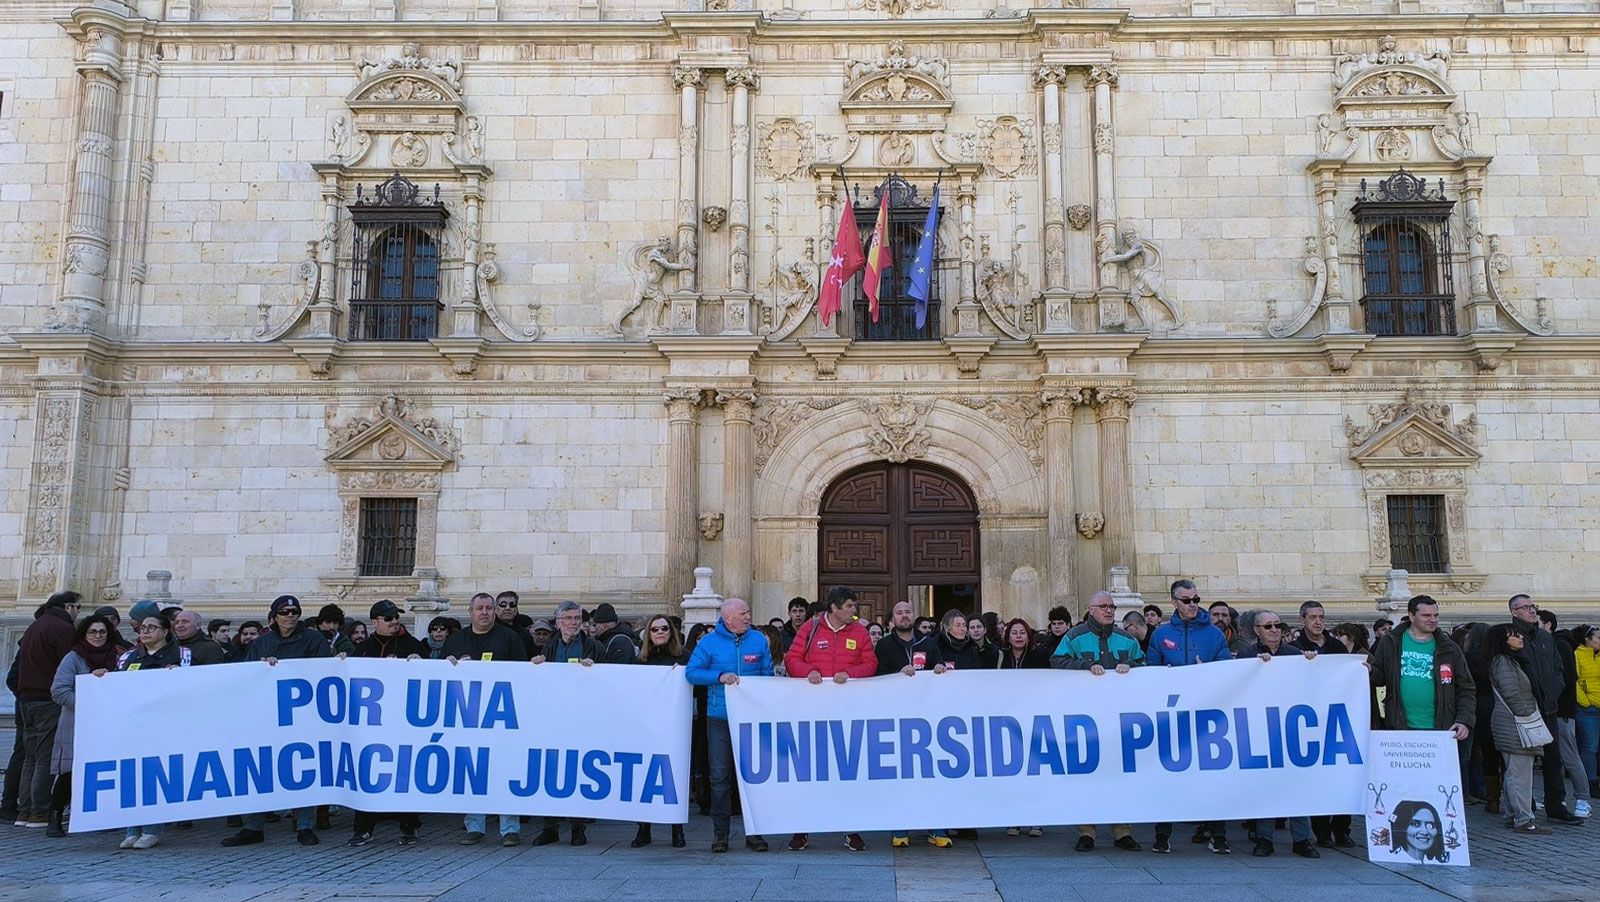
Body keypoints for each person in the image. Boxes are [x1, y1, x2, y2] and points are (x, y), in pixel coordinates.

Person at [222, 595, 333, 847]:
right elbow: (248, 675)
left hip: (302, 717)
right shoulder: (262, 643)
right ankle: (253, 826)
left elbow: (323, 672)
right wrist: (263, 668)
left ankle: (304, 826)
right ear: (274, 616)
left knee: (302, 770)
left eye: (295, 611)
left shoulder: (313, 640)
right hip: (267, 717)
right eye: (284, 612)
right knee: (260, 769)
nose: (290, 616)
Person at [783, 586, 877, 852]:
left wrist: (850, 673)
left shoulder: (859, 632)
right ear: (834, 608)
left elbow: (871, 663)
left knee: (848, 770)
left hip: (849, 712)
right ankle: (801, 829)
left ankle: (852, 829)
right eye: (849, 606)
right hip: (813, 712)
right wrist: (808, 670)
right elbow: (792, 660)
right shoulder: (810, 628)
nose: (854, 611)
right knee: (809, 770)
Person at [1051, 592, 1143, 852]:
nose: (1109, 610)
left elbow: (1144, 664)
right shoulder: (1075, 637)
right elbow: (1057, 661)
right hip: (1086, 720)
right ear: (1090, 609)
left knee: (1119, 775)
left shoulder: (1126, 638)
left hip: (1119, 720)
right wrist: (1083, 666)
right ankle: (1086, 831)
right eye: (1103, 606)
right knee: (1087, 775)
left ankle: (1122, 831)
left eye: (1112, 606)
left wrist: (1131, 667)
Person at [1145, 580, 1232, 854]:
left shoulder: (1214, 635)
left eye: (1196, 599)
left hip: (1207, 716)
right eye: (1186, 600)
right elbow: (1150, 671)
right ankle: (1162, 835)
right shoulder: (1160, 635)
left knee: (1212, 776)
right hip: (1172, 715)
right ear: (1174, 602)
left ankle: (1218, 834)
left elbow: (1228, 671)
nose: (1193, 605)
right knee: (1167, 775)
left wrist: (1206, 673)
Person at [685, 598, 772, 853]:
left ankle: (754, 833)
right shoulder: (709, 643)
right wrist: (718, 677)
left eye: (748, 612)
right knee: (720, 778)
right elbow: (691, 673)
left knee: (752, 778)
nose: (748, 616)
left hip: (751, 719)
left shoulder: (758, 640)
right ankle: (720, 834)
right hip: (719, 719)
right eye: (744, 613)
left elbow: (767, 674)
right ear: (729, 618)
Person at [444, 593, 530, 846]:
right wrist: (448, 666)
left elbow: (523, 674)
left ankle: (510, 828)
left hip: (502, 719)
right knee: (473, 773)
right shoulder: (455, 641)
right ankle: (474, 826)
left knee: (505, 770)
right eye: (479, 608)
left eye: (489, 608)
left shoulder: (509, 638)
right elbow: (441, 677)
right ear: (470, 612)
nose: (484, 612)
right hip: (468, 720)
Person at [1238, 610, 1321, 858]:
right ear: (1257, 631)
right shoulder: (1247, 654)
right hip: (1261, 728)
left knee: (1296, 784)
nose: (1273, 630)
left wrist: (1310, 662)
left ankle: (1302, 839)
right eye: (1267, 626)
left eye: (1277, 625)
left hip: (1291, 727)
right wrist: (1254, 667)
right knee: (1267, 785)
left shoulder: (1295, 654)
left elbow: (1312, 682)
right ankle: (1264, 838)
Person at [112, 609, 193, 848]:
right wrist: (100, 678)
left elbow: (192, 684)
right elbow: (116, 686)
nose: (145, 632)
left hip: (165, 726)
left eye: (151, 628)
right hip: (134, 725)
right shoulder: (128, 657)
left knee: (155, 775)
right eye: (142, 628)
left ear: (165, 631)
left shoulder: (182, 654)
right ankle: (131, 828)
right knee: (131, 775)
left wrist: (177, 676)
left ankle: (152, 828)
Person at [873, 600, 950, 849]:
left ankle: (936, 829)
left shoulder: (928, 643)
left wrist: (939, 668)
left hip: (927, 720)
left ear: (914, 616)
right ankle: (900, 829)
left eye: (908, 612)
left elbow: (938, 666)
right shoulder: (884, 645)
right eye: (899, 613)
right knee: (901, 776)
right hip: (896, 719)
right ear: (891, 620)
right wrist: (897, 675)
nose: (904, 616)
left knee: (930, 776)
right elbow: (877, 677)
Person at [1508, 594, 1582, 825]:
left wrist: (1554, 689)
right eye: (1526, 607)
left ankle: (1556, 805)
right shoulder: (1509, 637)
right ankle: (1524, 804)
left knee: (1553, 758)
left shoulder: (1544, 637)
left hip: (1549, 707)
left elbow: (1557, 668)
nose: (1532, 611)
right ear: (1514, 612)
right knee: (1523, 760)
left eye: (1533, 607)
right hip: (1523, 710)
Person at [45, 613, 119, 837]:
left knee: (103, 768)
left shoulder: (117, 657)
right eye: (93, 632)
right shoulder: (73, 658)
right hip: (76, 723)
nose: (98, 636)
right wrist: (87, 704)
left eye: (102, 632)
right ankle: (55, 817)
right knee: (70, 770)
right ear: (84, 634)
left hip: (107, 723)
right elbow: (58, 691)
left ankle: (100, 816)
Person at [14, 590, 81, 829]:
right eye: (76, 607)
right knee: (46, 757)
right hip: (46, 699)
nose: (76, 612)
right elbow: (68, 661)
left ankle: (25, 810)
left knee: (30, 757)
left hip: (27, 698)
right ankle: (40, 811)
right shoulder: (61, 629)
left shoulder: (36, 625)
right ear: (67, 607)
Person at [1486, 623, 1553, 834]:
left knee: (1514, 771)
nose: (1520, 638)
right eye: (1514, 636)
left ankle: (1513, 814)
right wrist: (1528, 715)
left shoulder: (1506, 661)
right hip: (1514, 722)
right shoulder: (1503, 663)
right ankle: (1524, 819)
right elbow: (1511, 693)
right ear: (1502, 641)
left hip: (1511, 721)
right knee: (1519, 773)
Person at [634, 614, 688, 849]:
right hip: (647, 728)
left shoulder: (683, 658)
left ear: (671, 632)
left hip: (674, 727)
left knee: (674, 777)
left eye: (664, 628)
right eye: (654, 629)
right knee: (644, 777)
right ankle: (643, 828)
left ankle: (677, 829)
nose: (660, 632)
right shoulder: (640, 662)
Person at [1540, 612, 1592, 818]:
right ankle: (1554, 797)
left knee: (1570, 756)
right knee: (1552, 758)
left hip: (1561, 711)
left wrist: (1552, 697)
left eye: (1538, 621)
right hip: (1552, 710)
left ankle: (1582, 798)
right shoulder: (1552, 643)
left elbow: (1568, 678)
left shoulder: (1559, 644)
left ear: (1548, 625)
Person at [1573, 624, 1600, 799]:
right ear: (1587, 640)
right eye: (1598, 638)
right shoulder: (1578, 655)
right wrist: (1586, 702)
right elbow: (1574, 681)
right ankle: (1590, 783)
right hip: (1588, 708)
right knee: (1589, 747)